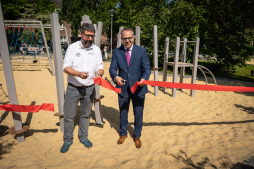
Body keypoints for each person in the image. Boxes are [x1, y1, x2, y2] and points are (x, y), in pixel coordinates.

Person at [60, 23, 104, 153]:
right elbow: (66, 67)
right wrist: (78, 74)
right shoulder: (73, 48)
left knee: (86, 115)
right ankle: (67, 140)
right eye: (88, 35)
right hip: (73, 88)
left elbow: (100, 67)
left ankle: (83, 137)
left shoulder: (96, 50)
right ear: (81, 34)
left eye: (92, 36)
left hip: (90, 88)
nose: (90, 38)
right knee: (69, 116)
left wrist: (99, 74)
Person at [109, 28, 151, 148]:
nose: (127, 41)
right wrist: (116, 77)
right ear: (121, 39)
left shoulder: (141, 51)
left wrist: (144, 78)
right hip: (122, 87)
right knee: (123, 112)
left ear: (133, 38)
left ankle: (137, 135)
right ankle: (123, 133)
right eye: (124, 38)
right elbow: (112, 68)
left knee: (138, 113)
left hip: (139, 88)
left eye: (129, 38)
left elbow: (146, 69)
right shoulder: (117, 52)